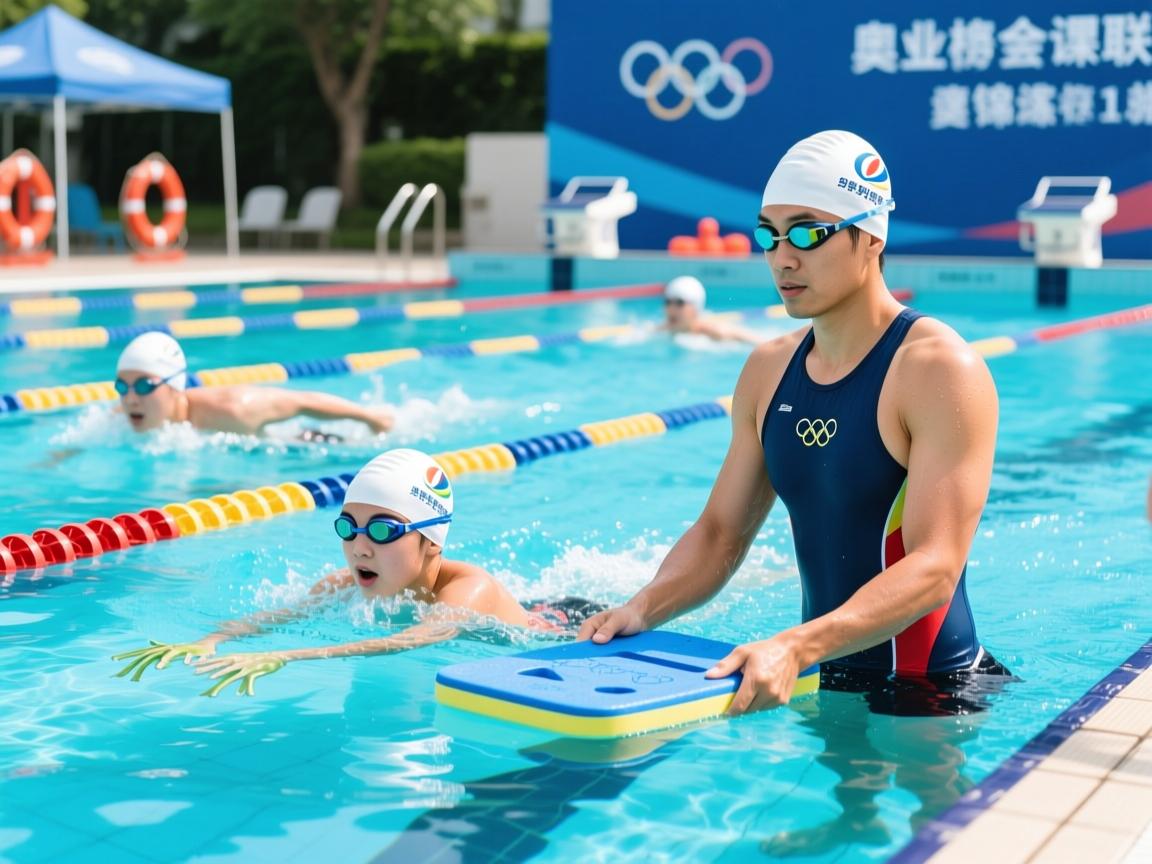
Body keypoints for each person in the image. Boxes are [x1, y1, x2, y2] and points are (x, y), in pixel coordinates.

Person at [580, 130, 1008, 717]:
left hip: (933, 689)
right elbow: (719, 534)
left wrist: (796, 645)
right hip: (817, 671)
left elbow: (934, 566)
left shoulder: (936, 369)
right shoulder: (767, 370)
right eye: (769, 234)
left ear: (871, 235)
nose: (783, 257)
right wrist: (643, 607)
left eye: (808, 233)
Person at [113, 448, 603, 696]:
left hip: (565, 625)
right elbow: (280, 614)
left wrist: (292, 656)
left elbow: (414, 639)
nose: (359, 547)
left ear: (432, 541)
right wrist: (213, 639)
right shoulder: (344, 582)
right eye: (349, 526)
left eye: (383, 530)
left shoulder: (469, 588)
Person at [114, 331, 393, 436]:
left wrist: (370, 417)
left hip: (299, 440)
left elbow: (303, 401)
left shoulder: (234, 408)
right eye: (122, 387)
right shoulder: (120, 414)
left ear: (175, 386)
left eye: (143, 386)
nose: (130, 399)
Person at [659, 275, 764, 344]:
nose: (671, 308)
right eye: (668, 302)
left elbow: (755, 340)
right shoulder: (664, 329)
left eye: (679, 303)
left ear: (695, 307)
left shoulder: (714, 331)